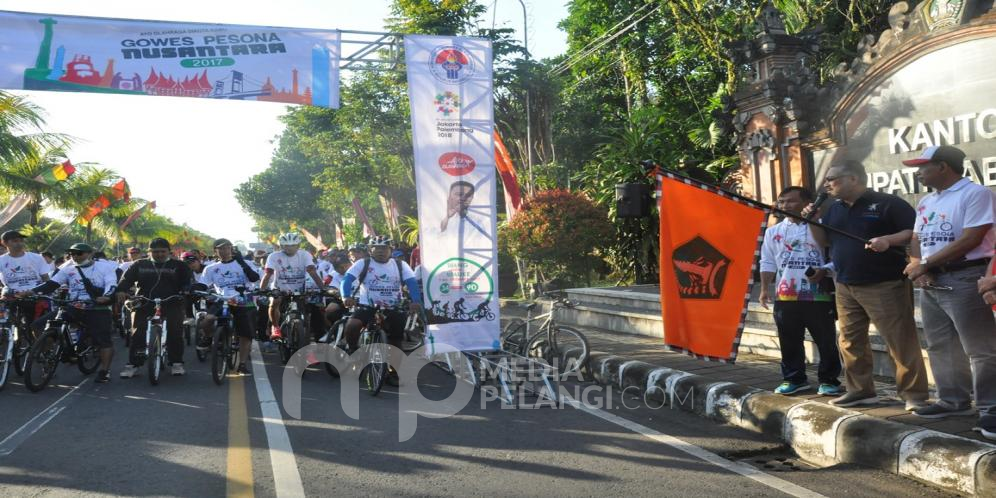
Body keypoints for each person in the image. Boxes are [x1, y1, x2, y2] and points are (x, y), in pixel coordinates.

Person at [804, 159, 929, 410]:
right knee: (850, 341)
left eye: (833, 179)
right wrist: (813, 221)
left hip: (884, 282)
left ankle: (914, 395)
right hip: (845, 283)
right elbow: (825, 242)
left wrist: (887, 239)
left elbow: (914, 232)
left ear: (853, 179)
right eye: (827, 180)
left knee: (898, 340)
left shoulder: (888, 204)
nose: (827, 184)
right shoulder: (834, 209)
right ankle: (860, 391)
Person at [898, 145, 996, 420]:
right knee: (941, 344)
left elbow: (972, 238)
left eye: (923, 166)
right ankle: (953, 401)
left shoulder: (975, 194)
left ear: (943, 166)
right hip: (932, 280)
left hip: (966, 276)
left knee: (980, 349)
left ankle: (991, 407)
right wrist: (920, 267)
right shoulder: (927, 201)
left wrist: (926, 264)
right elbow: (917, 238)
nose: (918, 173)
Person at [759, 187, 843, 396]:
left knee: (825, 340)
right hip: (786, 295)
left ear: (807, 203)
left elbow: (837, 254)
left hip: (819, 294)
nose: (785, 206)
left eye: (790, 201)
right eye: (781, 201)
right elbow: (767, 261)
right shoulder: (773, 231)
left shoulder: (821, 228)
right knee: (789, 339)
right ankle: (794, 378)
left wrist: (825, 270)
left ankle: (829, 379)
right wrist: (764, 289)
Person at [28, 243, 118, 383]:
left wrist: (106, 296)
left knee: (103, 341)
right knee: (38, 325)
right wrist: (30, 292)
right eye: (72, 254)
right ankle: (49, 356)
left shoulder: (104, 267)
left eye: (79, 253)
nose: (75, 256)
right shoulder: (68, 269)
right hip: (74, 306)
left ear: (89, 253)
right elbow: (51, 284)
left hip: (97, 308)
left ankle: (105, 371)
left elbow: (111, 284)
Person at [341, 236, 423, 385]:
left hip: (393, 307)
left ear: (390, 250)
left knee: (396, 341)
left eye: (384, 248)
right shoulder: (363, 263)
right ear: (370, 250)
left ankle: (393, 372)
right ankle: (353, 350)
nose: (380, 251)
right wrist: (346, 296)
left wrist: (415, 301)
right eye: (376, 248)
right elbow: (347, 279)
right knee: (352, 325)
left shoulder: (400, 265)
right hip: (368, 306)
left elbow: (411, 283)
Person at [117, 238, 195, 378]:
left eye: (162, 251)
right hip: (144, 302)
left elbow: (188, 281)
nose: (159, 254)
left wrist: (186, 289)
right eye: (155, 252)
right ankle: (133, 364)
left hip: (172, 302)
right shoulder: (139, 264)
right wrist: (122, 290)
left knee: (175, 332)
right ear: (149, 252)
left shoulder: (179, 265)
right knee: (137, 333)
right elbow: (126, 280)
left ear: (168, 251)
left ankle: (176, 363)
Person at [199, 238, 260, 375]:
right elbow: (203, 285)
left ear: (232, 249)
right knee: (208, 319)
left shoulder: (246, 263)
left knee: (246, 334)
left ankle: (242, 364)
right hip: (221, 299)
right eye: (220, 248)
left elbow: (254, 278)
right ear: (215, 251)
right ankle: (208, 338)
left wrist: (242, 262)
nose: (224, 251)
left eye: (227, 248)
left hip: (243, 299)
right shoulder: (211, 268)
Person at [260, 232, 325, 340]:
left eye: (293, 245)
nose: (289, 248)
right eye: (286, 246)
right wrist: (262, 290)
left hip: (299, 289)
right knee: (274, 302)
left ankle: (315, 335)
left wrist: (323, 288)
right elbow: (268, 274)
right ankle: (275, 327)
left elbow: (312, 272)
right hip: (279, 288)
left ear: (298, 246)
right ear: (281, 246)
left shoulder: (305, 255)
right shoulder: (274, 256)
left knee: (313, 308)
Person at [1, 230, 51, 334]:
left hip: (34, 296)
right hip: (11, 297)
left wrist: (47, 292)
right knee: (7, 324)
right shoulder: (1, 260)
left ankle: (39, 348)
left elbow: (46, 278)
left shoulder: (36, 257)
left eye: (21, 240)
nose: (19, 243)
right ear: (4, 243)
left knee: (36, 328)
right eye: (15, 241)